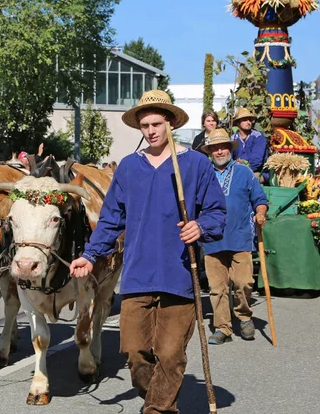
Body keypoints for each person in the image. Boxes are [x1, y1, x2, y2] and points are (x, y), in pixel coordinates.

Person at [69, 90, 227, 414]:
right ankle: (163, 399)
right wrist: (89, 255)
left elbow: (217, 213)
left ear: (170, 123)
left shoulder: (195, 165)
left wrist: (200, 226)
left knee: (170, 355)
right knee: (135, 353)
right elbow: (111, 219)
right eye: (145, 125)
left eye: (157, 123)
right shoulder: (129, 167)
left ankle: (157, 409)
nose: (151, 131)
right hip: (137, 274)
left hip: (180, 273)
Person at [201, 129, 268, 344]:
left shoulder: (244, 172)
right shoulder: (203, 175)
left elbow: (260, 198)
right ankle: (222, 328)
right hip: (212, 239)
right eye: (215, 148)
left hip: (240, 236)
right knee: (217, 288)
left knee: (243, 282)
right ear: (210, 151)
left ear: (230, 148)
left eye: (223, 147)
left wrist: (260, 213)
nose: (219, 151)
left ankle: (244, 316)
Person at [231, 108, 269, 175]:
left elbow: (257, 161)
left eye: (250, 120)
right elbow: (229, 159)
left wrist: (241, 168)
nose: (248, 122)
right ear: (238, 123)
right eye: (245, 120)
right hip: (237, 171)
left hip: (257, 172)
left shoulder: (258, 137)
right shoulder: (233, 139)